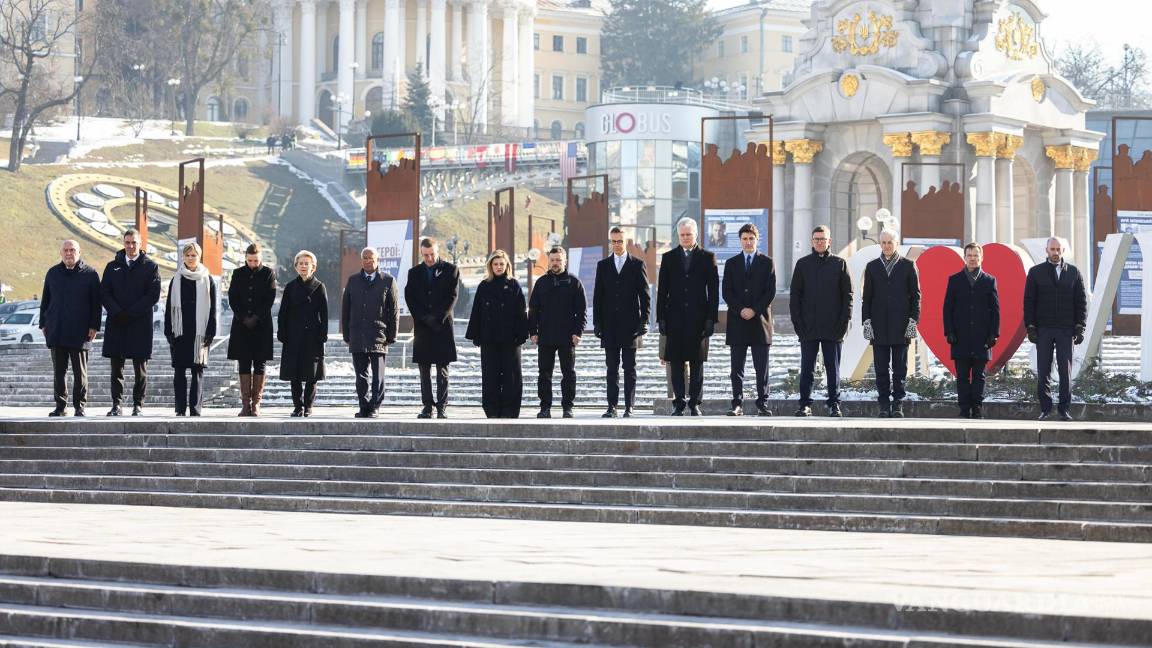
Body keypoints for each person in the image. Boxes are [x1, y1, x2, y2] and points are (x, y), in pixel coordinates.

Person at [657, 217, 719, 416]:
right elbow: (662, 291)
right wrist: (661, 319)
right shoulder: (668, 258)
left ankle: (694, 403)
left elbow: (714, 291)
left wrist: (711, 318)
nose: (685, 238)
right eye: (682, 235)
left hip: (699, 319)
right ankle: (679, 403)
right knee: (675, 362)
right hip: (674, 318)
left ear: (696, 235)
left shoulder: (708, 257)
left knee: (697, 362)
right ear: (678, 235)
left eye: (688, 234)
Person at [789, 225, 851, 417]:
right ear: (811, 241)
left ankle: (834, 404)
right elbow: (795, 296)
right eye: (816, 239)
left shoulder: (839, 263)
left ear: (829, 241)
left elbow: (847, 295)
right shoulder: (802, 264)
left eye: (822, 239)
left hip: (833, 327)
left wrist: (843, 322)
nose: (819, 242)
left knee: (833, 369)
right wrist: (798, 324)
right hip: (808, 327)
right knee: (807, 368)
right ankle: (805, 405)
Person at [1024, 236, 1087, 421]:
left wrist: (1080, 326)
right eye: (1052, 249)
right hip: (1043, 328)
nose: (1055, 252)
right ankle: (1045, 408)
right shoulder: (1035, 272)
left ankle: (1063, 409)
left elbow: (1081, 302)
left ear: (1062, 251)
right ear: (1047, 250)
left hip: (1065, 329)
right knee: (1043, 370)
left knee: (1065, 371)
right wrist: (1030, 326)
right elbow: (1029, 301)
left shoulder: (1074, 273)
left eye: (1058, 249)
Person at [100, 229, 161, 417]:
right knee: (116, 368)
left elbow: (153, 295)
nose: (130, 246)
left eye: (134, 242)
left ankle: (138, 405)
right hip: (116, 322)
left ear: (140, 243)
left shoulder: (151, 267)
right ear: (123, 243)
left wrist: (132, 312)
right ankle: (116, 405)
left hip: (139, 324)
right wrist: (117, 312)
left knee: (140, 368)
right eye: (127, 242)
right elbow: (104, 292)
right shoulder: (112, 267)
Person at [861, 229, 921, 418]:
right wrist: (866, 321)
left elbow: (916, 297)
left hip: (901, 326)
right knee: (880, 368)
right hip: (878, 327)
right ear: (880, 244)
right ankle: (884, 404)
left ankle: (898, 404)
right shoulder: (871, 267)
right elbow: (867, 298)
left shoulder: (908, 265)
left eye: (890, 242)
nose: (887, 246)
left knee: (899, 369)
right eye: (884, 242)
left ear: (896, 244)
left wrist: (913, 321)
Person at [592, 227, 650, 418]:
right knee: (611, 368)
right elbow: (597, 297)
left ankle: (629, 407)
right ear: (610, 242)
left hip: (630, 326)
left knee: (629, 367)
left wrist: (644, 321)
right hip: (609, 326)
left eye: (620, 241)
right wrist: (597, 323)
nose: (616, 244)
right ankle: (612, 406)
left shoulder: (637, 264)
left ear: (626, 242)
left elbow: (645, 296)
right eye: (613, 241)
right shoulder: (603, 265)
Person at [40, 240, 101, 417]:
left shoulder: (90, 274)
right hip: (57, 329)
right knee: (59, 372)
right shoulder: (53, 273)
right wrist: (43, 323)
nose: (69, 253)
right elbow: (45, 301)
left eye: (72, 250)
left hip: (80, 332)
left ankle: (79, 406)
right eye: (65, 250)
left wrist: (94, 326)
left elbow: (96, 305)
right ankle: (60, 406)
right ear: (61, 253)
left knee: (80, 373)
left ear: (79, 252)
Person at [465, 250, 529, 418]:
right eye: (495, 264)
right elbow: (477, 311)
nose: (499, 267)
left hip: (511, 340)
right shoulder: (484, 286)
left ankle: (510, 411)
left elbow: (521, 312)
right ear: (490, 266)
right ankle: (492, 411)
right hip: (489, 339)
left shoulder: (514, 285)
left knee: (512, 376)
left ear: (507, 265)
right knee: (490, 376)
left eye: (502, 264)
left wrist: (522, 334)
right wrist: (476, 335)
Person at [722, 223, 776, 417]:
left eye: (751, 238)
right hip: (738, 322)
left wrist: (754, 310)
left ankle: (762, 403)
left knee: (761, 367)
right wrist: (741, 309)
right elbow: (726, 292)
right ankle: (737, 403)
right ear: (740, 241)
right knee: (737, 368)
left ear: (757, 240)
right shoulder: (731, 263)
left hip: (760, 322)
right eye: (744, 238)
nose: (748, 242)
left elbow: (770, 292)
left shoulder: (767, 262)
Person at [943, 243, 1000, 419]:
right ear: (964, 257)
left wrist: (994, 334)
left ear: (981, 257)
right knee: (961, 376)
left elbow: (996, 310)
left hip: (982, 337)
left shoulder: (989, 280)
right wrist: (949, 331)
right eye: (969, 255)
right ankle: (964, 409)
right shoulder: (955, 280)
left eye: (976, 255)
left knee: (979, 376)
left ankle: (977, 409)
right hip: (960, 337)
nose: (973, 258)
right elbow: (947, 308)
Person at [529, 246, 587, 418]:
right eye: (553, 260)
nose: (555, 263)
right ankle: (545, 407)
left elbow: (581, 311)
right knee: (544, 373)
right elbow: (533, 310)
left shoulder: (574, 282)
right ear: (549, 261)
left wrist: (578, 332)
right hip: (545, 335)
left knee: (568, 373)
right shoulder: (541, 282)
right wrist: (533, 331)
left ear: (565, 261)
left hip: (567, 336)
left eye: (558, 260)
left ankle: (567, 407)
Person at [405, 238, 459, 419]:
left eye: (432, 254)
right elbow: (410, 297)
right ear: (421, 253)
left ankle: (442, 406)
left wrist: (437, 317)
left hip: (442, 326)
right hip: (422, 327)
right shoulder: (414, 273)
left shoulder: (451, 270)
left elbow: (452, 297)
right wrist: (423, 317)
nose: (429, 258)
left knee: (442, 370)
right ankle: (427, 406)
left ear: (438, 251)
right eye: (425, 255)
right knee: (424, 368)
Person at [342, 247, 398, 418]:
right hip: (357, 334)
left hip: (378, 335)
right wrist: (346, 334)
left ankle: (375, 406)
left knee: (377, 376)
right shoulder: (353, 281)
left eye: (371, 258)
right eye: (365, 258)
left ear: (377, 260)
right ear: (361, 260)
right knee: (361, 375)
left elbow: (393, 310)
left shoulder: (388, 281)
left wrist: (392, 335)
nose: (368, 261)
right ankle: (363, 405)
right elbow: (346, 309)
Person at [163, 242, 218, 417]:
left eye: (193, 255)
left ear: (199, 256)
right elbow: (169, 307)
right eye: (187, 255)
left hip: (199, 331)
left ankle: (195, 409)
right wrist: (168, 331)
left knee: (197, 371)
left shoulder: (207, 279)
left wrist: (211, 331)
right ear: (183, 257)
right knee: (179, 371)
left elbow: (213, 308)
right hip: (180, 331)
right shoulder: (176, 278)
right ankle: (180, 408)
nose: (190, 258)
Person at [227, 243, 277, 416]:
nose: (253, 263)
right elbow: (232, 297)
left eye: (256, 260)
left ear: (261, 258)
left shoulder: (268, 273)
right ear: (245, 258)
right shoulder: (238, 273)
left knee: (260, 363)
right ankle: (245, 404)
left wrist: (255, 317)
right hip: (241, 325)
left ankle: (256, 403)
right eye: (249, 260)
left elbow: (269, 298)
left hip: (261, 325)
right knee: (244, 362)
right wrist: (243, 317)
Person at [279, 250, 328, 417]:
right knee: (295, 373)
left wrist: (323, 333)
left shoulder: (320, 287)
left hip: (313, 336)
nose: (304, 266)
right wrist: (282, 331)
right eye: (301, 263)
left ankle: (308, 406)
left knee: (311, 374)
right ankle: (297, 406)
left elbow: (325, 313)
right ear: (296, 267)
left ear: (313, 267)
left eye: (307, 263)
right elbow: (283, 312)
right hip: (293, 335)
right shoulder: (290, 287)